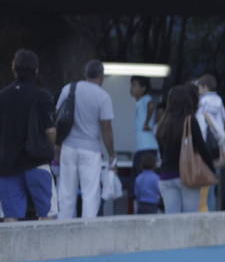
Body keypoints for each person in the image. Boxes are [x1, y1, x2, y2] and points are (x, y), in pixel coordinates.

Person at [0, 49, 57, 222]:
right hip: (37, 162)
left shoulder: (2, 97)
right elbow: (50, 130)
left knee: (10, 218)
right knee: (47, 214)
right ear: (36, 70)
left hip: (7, 165)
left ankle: (12, 251)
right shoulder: (42, 96)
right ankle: (47, 249)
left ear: (13, 69)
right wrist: (52, 148)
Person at [54, 59, 116, 220]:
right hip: (90, 150)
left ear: (85, 74)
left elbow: (56, 117)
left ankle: (64, 230)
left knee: (66, 193)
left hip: (67, 148)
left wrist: (56, 145)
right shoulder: (103, 96)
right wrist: (112, 155)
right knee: (90, 194)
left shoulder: (69, 89)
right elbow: (106, 128)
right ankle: (87, 232)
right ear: (101, 76)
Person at [154, 83, 215, 214]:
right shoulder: (190, 121)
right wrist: (211, 169)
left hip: (165, 177)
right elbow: (202, 148)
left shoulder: (163, 123)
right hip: (187, 176)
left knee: (172, 220)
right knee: (189, 219)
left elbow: (161, 152)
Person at [194, 74, 225, 210]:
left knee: (204, 182)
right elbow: (223, 119)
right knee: (213, 180)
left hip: (205, 145)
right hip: (217, 145)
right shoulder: (219, 101)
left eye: (199, 87)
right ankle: (212, 210)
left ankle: (205, 211)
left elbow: (204, 122)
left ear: (204, 87)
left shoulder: (204, 101)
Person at [130, 75, 158, 172]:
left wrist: (146, 123)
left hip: (146, 147)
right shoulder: (140, 102)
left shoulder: (146, 98)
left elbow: (151, 105)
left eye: (134, 85)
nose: (131, 88)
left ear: (143, 88)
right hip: (143, 147)